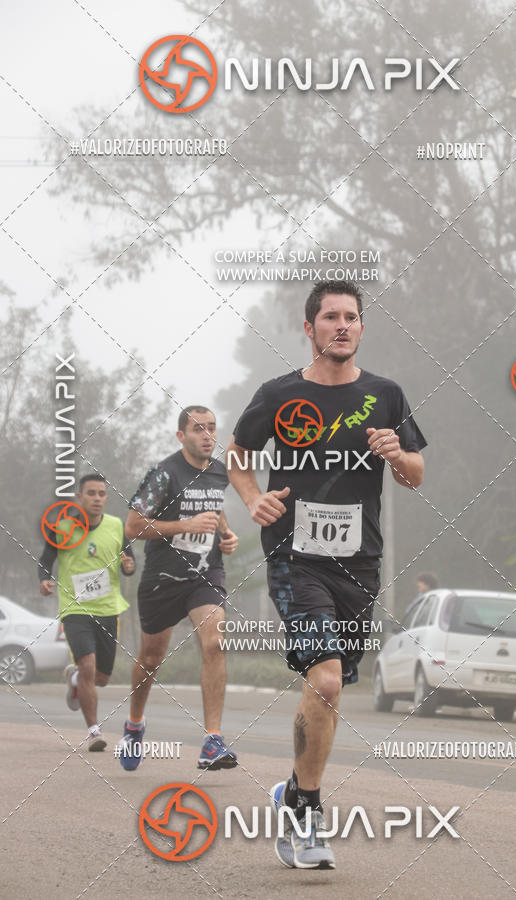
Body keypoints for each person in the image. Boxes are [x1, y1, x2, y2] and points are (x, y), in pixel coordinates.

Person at [226, 279, 427, 869]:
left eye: (351, 317)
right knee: (328, 680)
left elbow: (416, 474)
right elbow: (238, 453)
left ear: (361, 328)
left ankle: (291, 794)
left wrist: (396, 455)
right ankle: (309, 811)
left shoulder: (386, 395)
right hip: (296, 557)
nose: (342, 325)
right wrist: (253, 497)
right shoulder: (279, 394)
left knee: (327, 688)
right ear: (308, 328)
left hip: (361, 563)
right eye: (330, 317)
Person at [119, 405, 239, 772]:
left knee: (214, 641)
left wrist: (226, 534)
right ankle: (134, 725)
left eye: (212, 428)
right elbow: (133, 526)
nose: (207, 435)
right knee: (151, 659)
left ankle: (212, 741)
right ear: (181, 435)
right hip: (162, 578)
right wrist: (184, 523)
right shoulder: (164, 474)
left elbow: (215, 510)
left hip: (205, 574)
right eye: (198, 429)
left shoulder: (219, 472)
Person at [38, 473, 135, 751]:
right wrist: (44, 579)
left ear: (106, 497)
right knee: (88, 667)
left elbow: (131, 563)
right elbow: (45, 560)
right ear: (80, 498)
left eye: (101, 494)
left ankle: (74, 678)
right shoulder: (63, 527)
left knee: (101, 679)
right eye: (91, 493)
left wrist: (129, 567)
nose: (96, 498)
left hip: (107, 609)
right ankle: (95, 731)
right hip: (75, 608)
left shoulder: (117, 527)